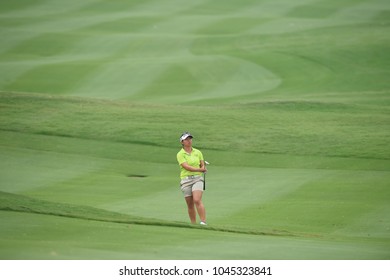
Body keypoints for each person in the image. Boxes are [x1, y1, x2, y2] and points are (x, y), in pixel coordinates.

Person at [176, 132, 207, 225]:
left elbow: (202, 163)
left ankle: (203, 222)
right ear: (182, 142)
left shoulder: (198, 152)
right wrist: (200, 169)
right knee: (190, 204)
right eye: (186, 139)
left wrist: (203, 168)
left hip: (198, 178)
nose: (189, 141)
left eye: (190, 139)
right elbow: (186, 167)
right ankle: (193, 224)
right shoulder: (180, 154)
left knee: (197, 200)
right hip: (186, 180)